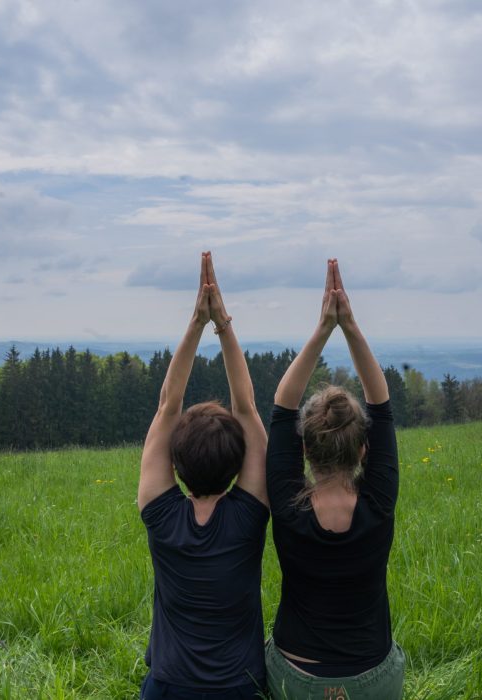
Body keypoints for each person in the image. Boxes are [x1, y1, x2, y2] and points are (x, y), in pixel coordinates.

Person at [265, 259, 405, 699]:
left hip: (295, 676)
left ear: (303, 450)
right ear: (365, 450)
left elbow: (282, 408)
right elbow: (380, 406)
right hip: (373, 679)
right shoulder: (377, 502)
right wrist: (349, 326)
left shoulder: (288, 504)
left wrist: (324, 329)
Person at [138, 252, 269, 700]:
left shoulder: (160, 515)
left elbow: (166, 406)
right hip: (240, 688)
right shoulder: (250, 515)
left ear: (175, 465)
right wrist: (223, 325)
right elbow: (246, 407)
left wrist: (196, 322)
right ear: (239, 465)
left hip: (168, 687)